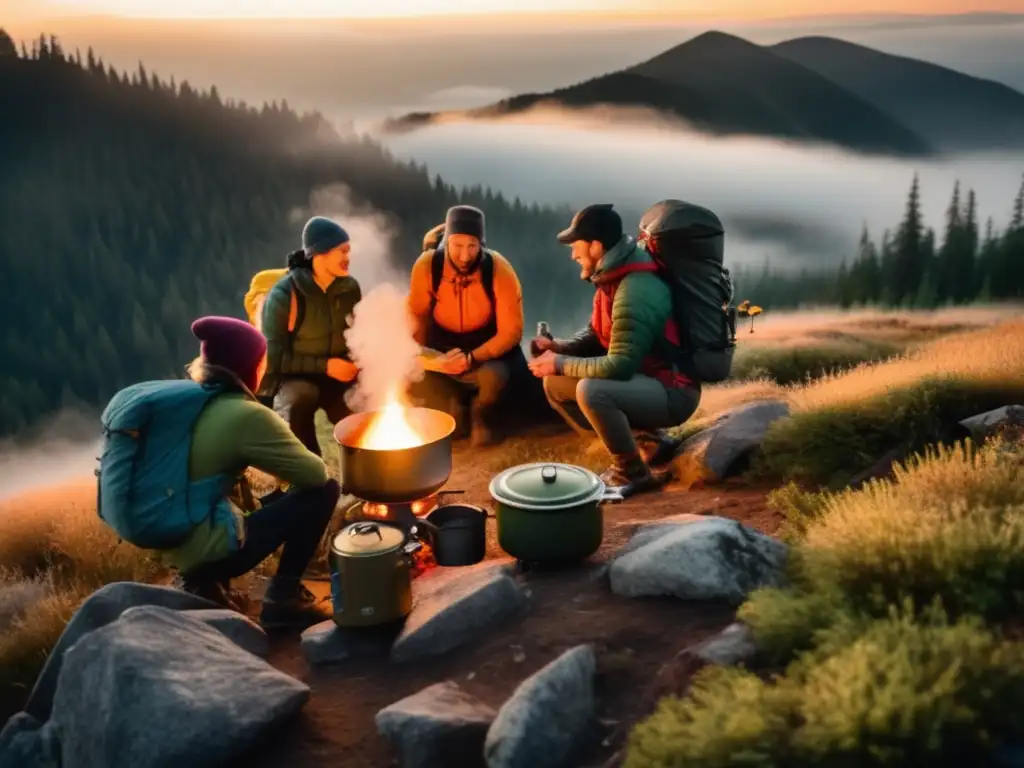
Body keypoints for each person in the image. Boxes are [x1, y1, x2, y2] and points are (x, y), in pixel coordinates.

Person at [165, 316, 341, 628]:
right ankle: (283, 598)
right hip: (209, 550)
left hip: (172, 543)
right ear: (250, 367)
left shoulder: (192, 403)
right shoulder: (246, 414)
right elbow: (315, 474)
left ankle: (202, 584)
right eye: (262, 362)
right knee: (325, 490)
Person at [528, 203, 700, 496]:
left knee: (592, 391)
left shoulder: (635, 287)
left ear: (596, 246)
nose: (573, 254)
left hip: (674, 390)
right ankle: (649, 442)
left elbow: (620, 365)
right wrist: (559, 347)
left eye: (576, 246)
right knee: (555, 384)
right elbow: (597, 332)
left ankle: (630, 471)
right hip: (649, 381)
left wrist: (560, 362)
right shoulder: (613, 274)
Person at [407, 205, 526, 446]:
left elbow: (511, 331)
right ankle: (452, 410)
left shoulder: (497, 269)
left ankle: (481, 415)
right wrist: (433, 361)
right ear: (446, 243)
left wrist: (472, 358)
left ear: (481, 244)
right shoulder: (428, 266)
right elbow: (414, 321)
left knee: (496, 377)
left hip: (485, 353)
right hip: (441, 352)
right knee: (406, 371)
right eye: (457, 246)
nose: (464, 255)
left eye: (472, 246)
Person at [259, 215, 361, 456]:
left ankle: (364, 475)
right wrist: (325, 366)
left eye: (349, 251)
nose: (348, 258)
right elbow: (274, 358)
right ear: (319, 253)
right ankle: (311, 474)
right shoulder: (284, 295)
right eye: (341, 251)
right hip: (296, 377)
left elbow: (359, 336)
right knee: (299, 399)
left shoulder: (350, 289)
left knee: (364, 402)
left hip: (339, 375)